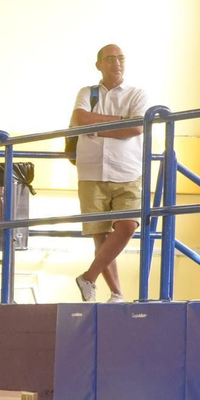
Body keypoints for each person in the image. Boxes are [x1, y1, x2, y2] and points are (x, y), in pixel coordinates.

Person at [70, 44, 150, 303]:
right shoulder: (87, 92)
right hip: (91, 170)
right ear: (99, 65)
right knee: (101, 235)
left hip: (127, 170)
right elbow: (79, 119)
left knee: (128, 225)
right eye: (110, 58)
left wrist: (96, 128)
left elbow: (137, 127)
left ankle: (89, 277)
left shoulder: (137, 94)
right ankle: (116, 294)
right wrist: (118, 123)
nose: (117, 63)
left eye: (121, 58)